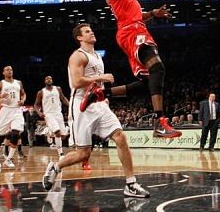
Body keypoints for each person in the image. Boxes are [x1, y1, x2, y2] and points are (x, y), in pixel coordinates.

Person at [96, 0, 181, 139]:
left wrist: (153, 13)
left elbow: (133, 16)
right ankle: (161, 122)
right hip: (132, 33)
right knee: (158, 68)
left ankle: (102, 93)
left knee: (146, 82)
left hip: (130, 30)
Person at [42, 24, 149, 198]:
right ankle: (56, 166)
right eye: (87, 31)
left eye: (91, 30)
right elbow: (76, 82)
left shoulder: (97, 56)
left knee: (120, 137)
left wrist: (103, 94)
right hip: (81, 106)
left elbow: (95, 83)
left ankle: (131, 183)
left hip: (98, 103)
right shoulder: (77, 56)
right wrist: (101, 77)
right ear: (79, 37)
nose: (91, 32)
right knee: (83, 154)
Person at [0, 65, 27, 169]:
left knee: (16, 133)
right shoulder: (1, 83)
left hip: (17, 110)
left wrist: (23, 100)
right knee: (0, 137)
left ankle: (8, 159)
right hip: (5, 110)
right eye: (7, 69)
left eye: (11, 69)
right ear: (3, 73)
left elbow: (23, 94)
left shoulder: (19, 82)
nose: (10, 71)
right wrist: (0, 96)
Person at [34, 76, 70, 159]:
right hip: (48, 114)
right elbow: (36, 104)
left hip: (58, 113)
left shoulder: (58, 89)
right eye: (47, 78)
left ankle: (49, 132)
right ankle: (61, 154)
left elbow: (63, 99)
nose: (49, 79)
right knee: (57, 132)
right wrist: (39, 112)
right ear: (44, 81)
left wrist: (71, 106)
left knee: (63, 135)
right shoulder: (41, 92)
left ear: (52, 80)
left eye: (50, 78)